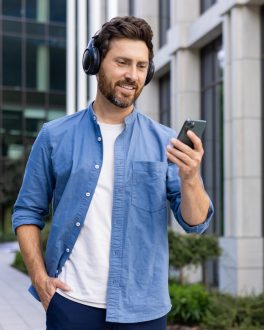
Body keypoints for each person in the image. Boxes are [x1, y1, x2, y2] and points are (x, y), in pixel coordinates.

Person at [12, 16, 213, 330]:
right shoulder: (54, 136)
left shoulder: (165, 142)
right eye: (122, 62)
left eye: (141, 66)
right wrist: (40, 280)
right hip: (70, 305)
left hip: (144, 311)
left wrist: (191, 178)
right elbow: (27, 211)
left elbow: (196, 223)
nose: (132, 75)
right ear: (95, 62)